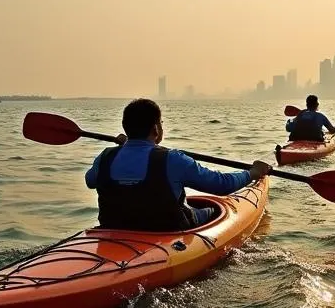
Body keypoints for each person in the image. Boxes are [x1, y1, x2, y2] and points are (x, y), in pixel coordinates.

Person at [85, 98, 271, 231]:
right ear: (156, 129)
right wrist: (252, 173)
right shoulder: (172, 159)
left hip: (115, 227)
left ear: (126, 128)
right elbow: (221, 185)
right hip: (166, 230)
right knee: (216, 209)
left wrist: (125, 148)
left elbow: (90, 181)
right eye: (161, 123)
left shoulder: (106, 157)